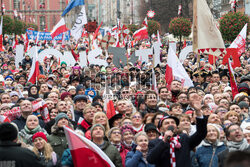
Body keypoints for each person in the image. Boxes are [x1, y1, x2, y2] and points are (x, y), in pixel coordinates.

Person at [147, 92, 208, 167]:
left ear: (176, 127)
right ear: (160, 129)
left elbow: (201, 133)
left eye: (173, 123)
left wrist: (198, 111)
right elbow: (150, 159)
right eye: (166, 123)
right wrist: (164, 141)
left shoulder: (184, 138)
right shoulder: (155, 143)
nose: (170, 124)